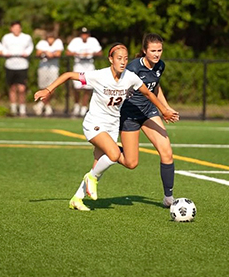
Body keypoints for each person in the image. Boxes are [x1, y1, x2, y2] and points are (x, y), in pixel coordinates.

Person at [34, 43, 179, 211]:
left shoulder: (130, 77)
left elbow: (148, 93)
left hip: (112, 126)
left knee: (128, 163)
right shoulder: (99, 76)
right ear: (111, 59)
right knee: (113, 154)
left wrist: (164, 110)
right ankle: (91, 177)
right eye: (119, 58)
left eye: (125, 58)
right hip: (94, 124)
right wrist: (48, 90)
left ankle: (77, 198)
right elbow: (67, 75)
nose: (123, 62)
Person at [75, 33, 179, 208]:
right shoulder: (132, 68)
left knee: (167, 151)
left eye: (159, 50)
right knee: (130, 162)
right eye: (153, 50)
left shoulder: (160, 65)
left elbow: (155, 86)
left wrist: (165, 108)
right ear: (144, 51)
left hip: (148, 112)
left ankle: (168, 197)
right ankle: (81, 191)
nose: (156, 54)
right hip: (129, 115)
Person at [66, 27, 102, 117]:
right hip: (79, 66)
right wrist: (78, 54)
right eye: (82, 34)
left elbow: (100, 52)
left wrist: (91, 54)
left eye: (86, 34)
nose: (84, 36)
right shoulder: (76, 41)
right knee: (77, 87)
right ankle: (77, 104)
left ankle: (84, 106)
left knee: (87, 87)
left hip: (88, 66)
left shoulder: (93, 41)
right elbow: (67, 52)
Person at [2, 21, 34, 117]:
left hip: (22, 65)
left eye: (18, 28)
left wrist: (26, 53)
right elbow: (3, 48)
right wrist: (6, 53)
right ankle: (13, 108)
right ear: (11, 29)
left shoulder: (26, 37)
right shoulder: (6, 37)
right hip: (10, 65)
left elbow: (30, 47)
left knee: (22, 88)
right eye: (14, 28)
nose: (16, 30)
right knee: (12, 87)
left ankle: (22, 108)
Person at [33, 32, 64, 116]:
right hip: (43, 68)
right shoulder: (42, 43)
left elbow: (58, 53)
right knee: (43, 87)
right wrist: (46, 52)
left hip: (53, 69)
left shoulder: (58, 42)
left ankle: (41, 104)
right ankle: (47, 105)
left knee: (52, 88)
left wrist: (51, 54)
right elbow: (38, 53)